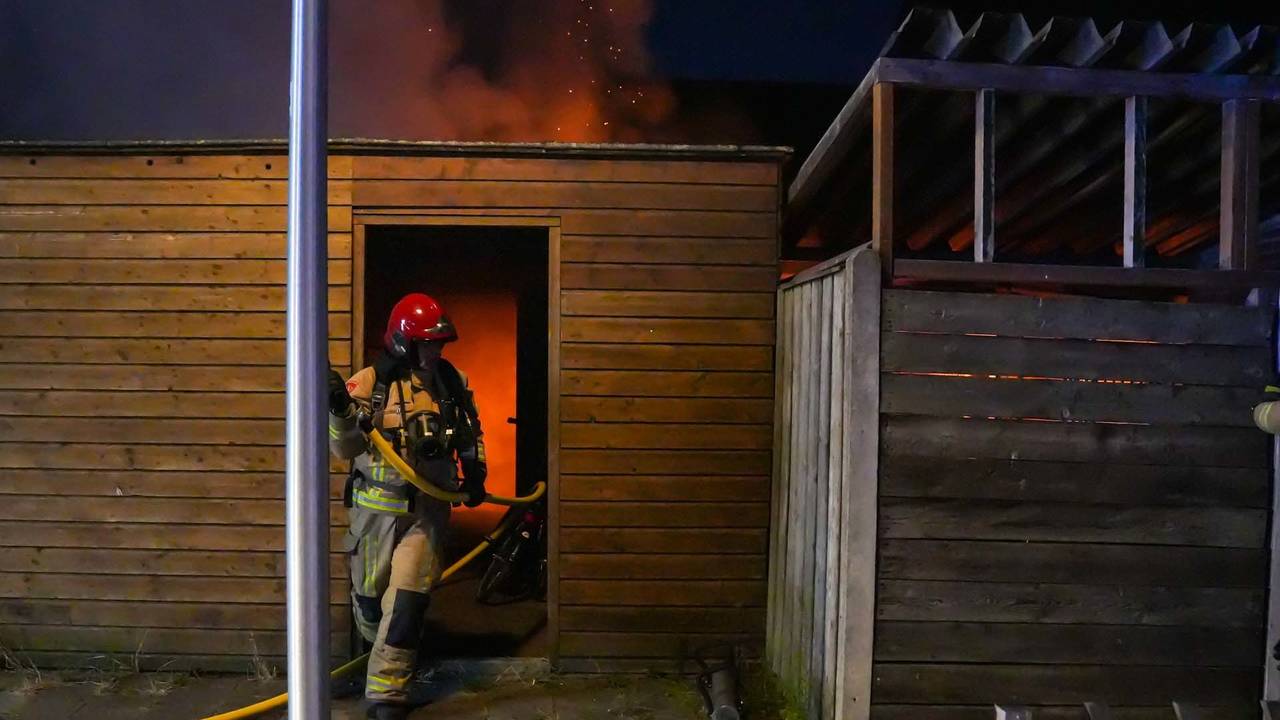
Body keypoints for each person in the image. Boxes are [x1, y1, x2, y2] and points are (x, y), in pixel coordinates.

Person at [327, 292, 487, 720]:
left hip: (426, 515)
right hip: (374, 517)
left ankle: (386, 696)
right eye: (426, 343)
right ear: (402, 342)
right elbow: (344, 449)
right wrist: (340, 411)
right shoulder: (369, 384)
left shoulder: (452, 383)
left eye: (439, 343)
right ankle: (379, 651)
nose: (435, 352)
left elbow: (471, 435)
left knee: (407, 604)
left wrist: (476, 475)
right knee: (370, 604)